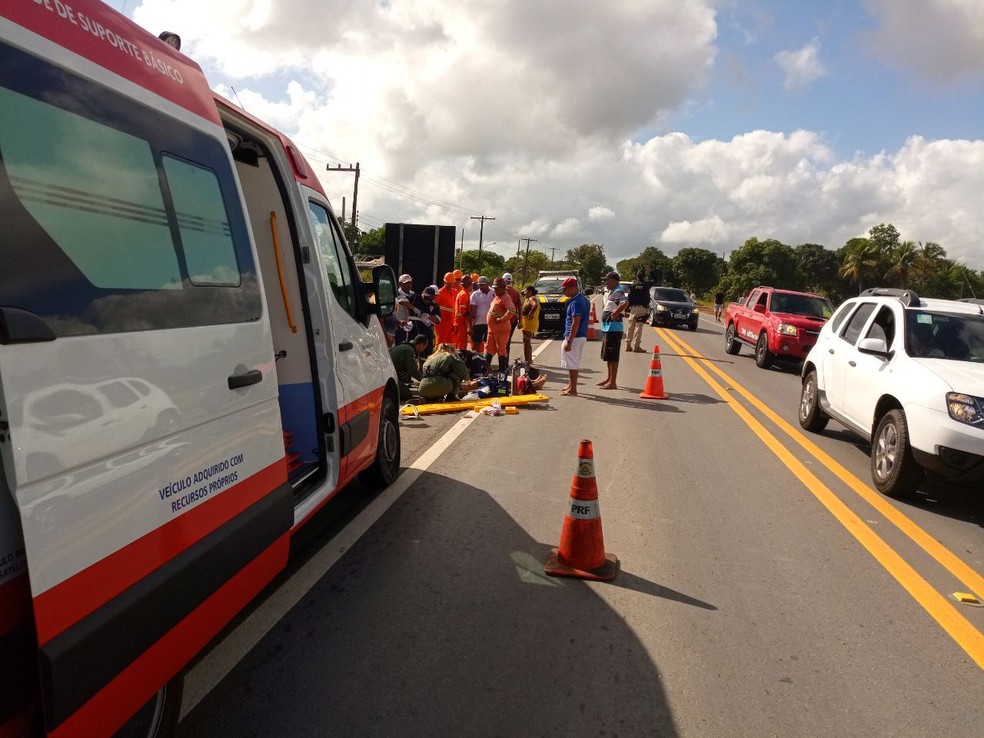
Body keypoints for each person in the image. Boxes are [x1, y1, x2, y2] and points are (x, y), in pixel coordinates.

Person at [559, 276, 591, 396]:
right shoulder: (582, 299)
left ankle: (573, 389)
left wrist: (570, 340)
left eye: (565, 289)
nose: (563, 291)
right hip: (579, 335)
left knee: (572, 363)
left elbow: (575, 322)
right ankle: (570, 385)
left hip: (575, 336)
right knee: (571, 362)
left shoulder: (576, 302)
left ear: (573, 288)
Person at [597, 271, 628, 389]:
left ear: (614, 281)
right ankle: (609, 378)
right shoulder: (613, 292)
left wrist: (615, 313)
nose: (605, 282)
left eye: (607, 280)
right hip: (608, 328)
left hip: (613, 329)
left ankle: (613, 382)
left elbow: (625, 303)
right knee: (608, 356)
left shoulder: (618, 291)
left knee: (613, 356)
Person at [485, 277, 518, 373]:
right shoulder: (498, 296)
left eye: (497, 288)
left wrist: (502, 319)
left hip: (501, 329)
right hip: (492, 329)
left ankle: (502, 370)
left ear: (503, 288)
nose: (495, 290)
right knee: (489, 349)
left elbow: (512, 310)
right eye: (495, 288)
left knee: (501, 349)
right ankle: (486, 369)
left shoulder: (506, 297)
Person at [390, 335, 427, 401]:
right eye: (424, 347)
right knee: (407, 395)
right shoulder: (409, 351)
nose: (423, 350)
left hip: (391, 374)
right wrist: (423, 380)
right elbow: (412, 370)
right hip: (391, 377)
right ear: (421, 345)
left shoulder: (405, 346)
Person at [625, 270, 650, 352]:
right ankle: (636, 346)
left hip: (633, 308)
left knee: (630, 327)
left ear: (637, 276)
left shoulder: (633, 285)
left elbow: (629, 297)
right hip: (642, 308)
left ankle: (628, 345)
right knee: (639, 328)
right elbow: (655, 280)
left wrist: (626, 308)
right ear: (644, 276)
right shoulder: (646, 285)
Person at [469, 276, 495, 354]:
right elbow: (472, 310)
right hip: (478, 323)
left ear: (488, 284)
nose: (481, 286)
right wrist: (470, 326)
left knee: (489, 344)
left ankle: (485, 362)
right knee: (476, 343)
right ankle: (475, 360)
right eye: (479, 285)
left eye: (483, 284)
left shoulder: (494, 292)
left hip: (490, 323)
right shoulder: (475, 294)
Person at [502, 272, 523, 361]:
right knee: (507, 342)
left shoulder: (501, 292)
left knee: (501, 342)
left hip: (502, 320)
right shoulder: (516, 293)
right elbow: (520, 307)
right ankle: (505, 363)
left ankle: (503, 363)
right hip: (513, 320)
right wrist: (520, 322)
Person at [434, 272, 457, 345]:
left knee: (450, 343)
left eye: (451, 283)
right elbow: (434, 307)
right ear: (444, 282)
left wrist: (453, 322)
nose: (450, 285)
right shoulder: (440, 293)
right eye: (448, 283)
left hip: (450, 322)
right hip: (441, 323)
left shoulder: (454, 292)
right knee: (440, 342)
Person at [520, 285, 540, 364]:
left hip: (530, 323)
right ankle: (528, 359)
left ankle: (528, 360)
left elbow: (535, 305)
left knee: (526, 340)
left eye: (526, 291)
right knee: (526, 341)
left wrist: (530, 314)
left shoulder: (532, 298)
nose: (525, 293)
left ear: (530, 292)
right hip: (526, 323)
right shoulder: (527, 299)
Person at [454, 273, 473, 350]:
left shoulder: (463, 293)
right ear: (469, 285)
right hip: (461, 322)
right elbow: (463, 311)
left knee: (461, 343)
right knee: (461, 345)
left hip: (460, 322)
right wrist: (469, 325)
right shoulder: (464, 294)